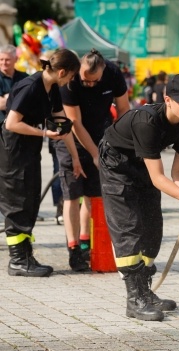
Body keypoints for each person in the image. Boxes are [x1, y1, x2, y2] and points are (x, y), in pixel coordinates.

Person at [98, 73, 179, 322]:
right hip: (117, 165)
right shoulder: (147, 121)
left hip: (145, 165)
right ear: (168, 99)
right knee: (130, 229)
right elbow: (159, 178)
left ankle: (146, 291)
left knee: (152, 228)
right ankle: (134, 299)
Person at [0, 48, 81, 277]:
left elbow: (58, 117)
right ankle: (17, 260)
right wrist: (46, 133)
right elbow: (11, 124)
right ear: (62, 71)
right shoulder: (30, 86)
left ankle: (25, 255)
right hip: (13, 151)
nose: (71, 81)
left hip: (29, 151)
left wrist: (65, 131)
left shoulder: (52, 87)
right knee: (17, 203)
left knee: (30, 199)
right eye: (71, 76)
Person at [56, 49, 130, 272]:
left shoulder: (114, 73)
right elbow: (75, 123)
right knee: (72, 194)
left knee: (94, 195)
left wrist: (124, 142)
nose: (88, 84)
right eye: (85, 81)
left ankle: (88, 242)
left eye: (94, 81)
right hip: (71, 140)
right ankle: (74, 249)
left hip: (102, 135)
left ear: (104, 70)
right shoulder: (71, 81)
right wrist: (94, 154)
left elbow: (124, 108)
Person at [0, 44, 28, 123]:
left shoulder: (25, 77)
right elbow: (0, 104)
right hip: (3, 126)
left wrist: (8, 98)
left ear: (16, 59)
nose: (3, 63)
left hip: (24, 124)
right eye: (1, 59)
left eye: (7, 59)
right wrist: (21, 98)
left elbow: (33, 100)